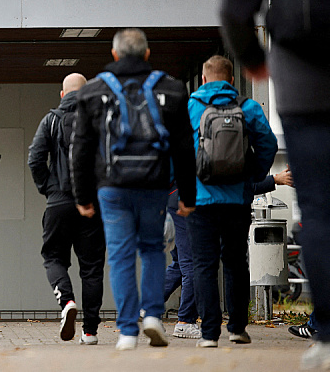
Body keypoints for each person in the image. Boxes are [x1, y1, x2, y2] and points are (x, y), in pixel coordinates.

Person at [219, 0, 330, 367]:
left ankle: (327, 336)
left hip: (307, 93)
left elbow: (235, 1)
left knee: (322, 213)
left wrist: (255, 61)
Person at [70, 28, 196, 351]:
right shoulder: (171, 88)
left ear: (114, 54)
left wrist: (82, 196)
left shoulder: (94, 91)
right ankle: (152, 315)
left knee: (121, 255)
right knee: (153, 249)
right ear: (147, 54)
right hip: (154, 185)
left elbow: (81, 149)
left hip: (112, 188)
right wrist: (187, 195)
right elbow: (183, 147)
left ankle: (127, 331)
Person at [186, 55, 277, 348]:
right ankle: (237, 328)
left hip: (201, 198)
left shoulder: (191, 106)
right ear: (232, 80)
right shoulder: (247, 107)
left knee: (203, 264)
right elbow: (269, 144)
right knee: (237, 262)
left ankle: (209, 334)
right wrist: (252, 176)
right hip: (237, 198)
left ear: (203, 79)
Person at [28, 73, 105, 344]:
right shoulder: (99, 119)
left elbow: (35, 158)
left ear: (63, 95)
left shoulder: (51, 120)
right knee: (92, 268)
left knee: (54, 258)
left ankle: (67, 301)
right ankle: (91, 331)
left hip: (58, 201)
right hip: (92, 205)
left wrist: (48, 189)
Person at [163, 184, 201, 339]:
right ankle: (185, 322)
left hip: (173, 198)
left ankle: (150, 303)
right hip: (186, 201)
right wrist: (273, 180)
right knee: (192, 264)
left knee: (180, 263)